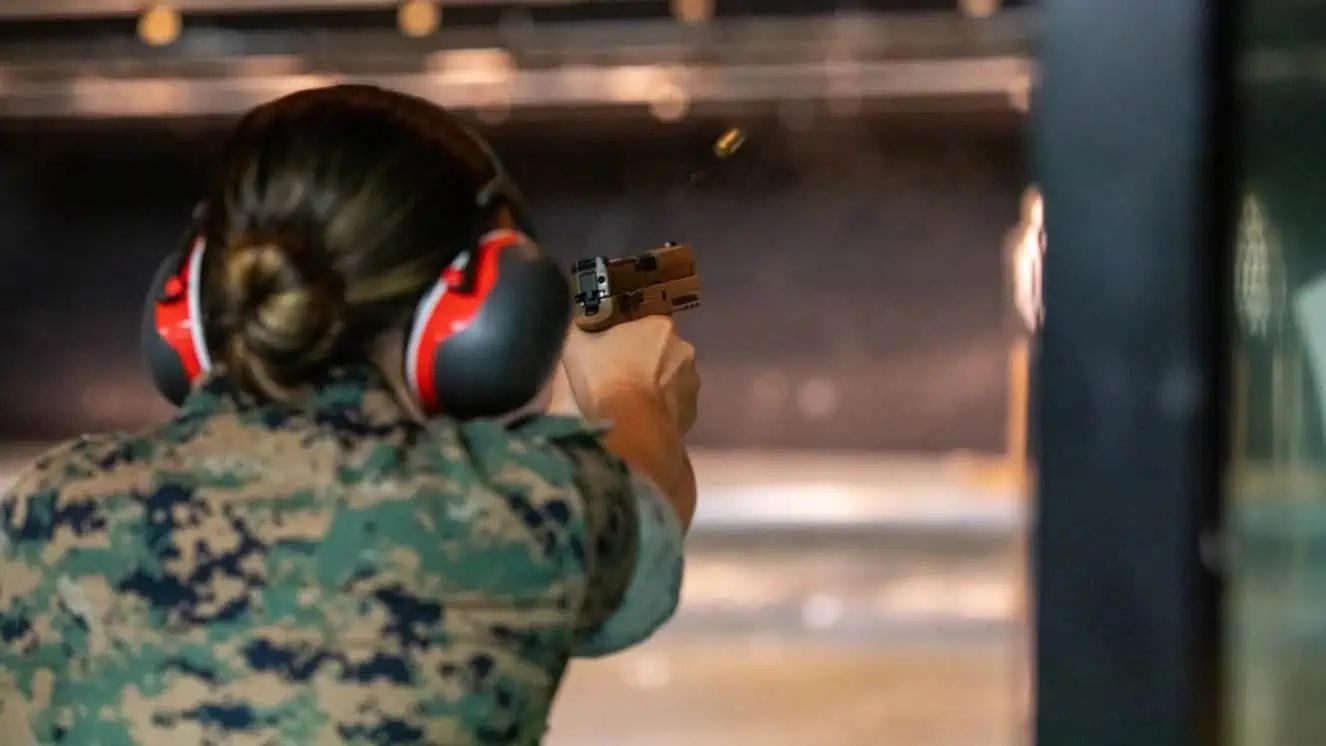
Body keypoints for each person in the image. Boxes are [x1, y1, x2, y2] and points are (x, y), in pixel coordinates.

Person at [0, 85, 700, 746]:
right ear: (488, 303)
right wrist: (627, 381)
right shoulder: (516, 509)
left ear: (190, 298)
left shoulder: (45, 516)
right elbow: (649, 502)